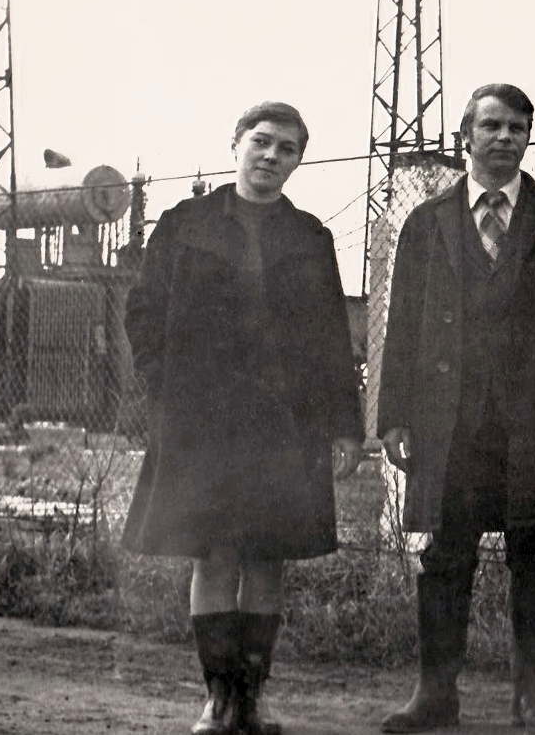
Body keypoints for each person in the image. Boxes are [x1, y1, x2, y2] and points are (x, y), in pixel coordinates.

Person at [377, 83, 535, 735]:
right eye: (492, 126)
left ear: (528, 137)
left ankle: (532, 700)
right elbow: (402, 327)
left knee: (533, 553)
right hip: (449, 419)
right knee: (445, 555)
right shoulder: (426, 224)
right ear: (466, 137)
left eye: (517, 127)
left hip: (533, 417)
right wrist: (393, 415)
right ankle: (434, 696)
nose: (505, 137)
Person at [121, 101, 364, 735]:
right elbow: (142, 311)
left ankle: (253, 702)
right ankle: (217, 701)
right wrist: (164, 390)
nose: (271, 156)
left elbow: (332, 336)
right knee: (213, 556)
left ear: (298, 161)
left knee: (266, 558)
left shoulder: (311, 238)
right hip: (201, 422)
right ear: (236, 144)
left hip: (285, 426)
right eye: (262, 141)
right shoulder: (184, 225)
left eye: (287, 149)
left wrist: (344, 424)